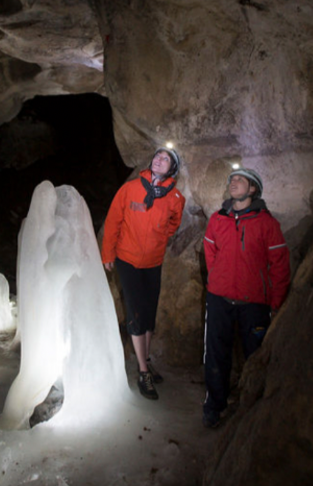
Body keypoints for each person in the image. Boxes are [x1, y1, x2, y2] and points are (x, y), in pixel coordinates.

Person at [201, 167, 291, 428]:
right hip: (219, 298)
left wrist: (276, 303)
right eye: (232, 179)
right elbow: (210, 250)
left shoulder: (267, 223)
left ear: (253, 189)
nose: (234, 182)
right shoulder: (218, 219)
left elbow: (279, 265)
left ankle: (253, 411)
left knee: (255, 356)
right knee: (216, 354)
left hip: (254, 303)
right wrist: (217, 278)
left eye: (240, 180)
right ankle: (214, 406)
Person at [101, 147, 185, 399]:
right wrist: (108, 254)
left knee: (149, 313)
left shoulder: (175, 197)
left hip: (153, 262)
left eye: (166, 159)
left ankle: (145, 359)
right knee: (136, 312)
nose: (159, 160)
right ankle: (143, 371)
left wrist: (158, 238)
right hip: (127, 259)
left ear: (172, 168)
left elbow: (173, 224)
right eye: (157, 156)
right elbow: (113, 220)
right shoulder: (130, 189)